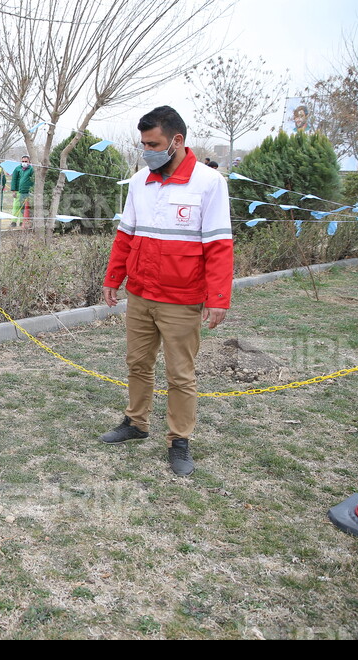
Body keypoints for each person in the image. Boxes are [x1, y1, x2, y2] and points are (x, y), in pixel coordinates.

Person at [99, 106, 233, 477]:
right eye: (142, 144)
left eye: (153, 144)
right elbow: (126, 235)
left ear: (177, 141)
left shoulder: (208, 183)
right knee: (137, 364)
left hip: (182, 299)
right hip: (140, 295)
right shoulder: (141, 180)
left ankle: (179, 441)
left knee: (180, 374)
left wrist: (218, 297)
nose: (147, 151)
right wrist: (114, 278)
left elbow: (219, 244)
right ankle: (136, 423)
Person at [10, 155, 34, 225]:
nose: (24, 163)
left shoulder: (31, 170)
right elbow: (14, 180)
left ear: (29, 162)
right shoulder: (17, 169)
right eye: (23, 161)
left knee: (23, 207)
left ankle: (21, 221)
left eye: (26, 161)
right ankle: (14, 221)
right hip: (18, 191)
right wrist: (13, 191)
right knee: (16, 206)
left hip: (27, 192)